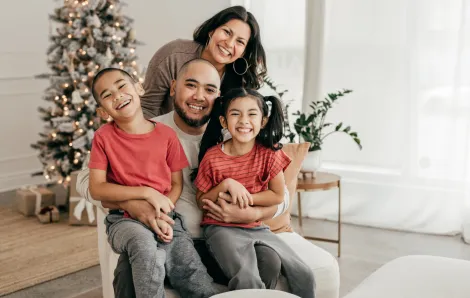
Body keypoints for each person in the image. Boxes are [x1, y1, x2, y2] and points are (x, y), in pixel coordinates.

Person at [78, 59, 287, 297]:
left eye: (209, 90)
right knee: (137, 260)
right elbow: (88, 182)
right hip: (159, 228)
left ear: (218, 96)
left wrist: (254, 214)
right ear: (174, 86)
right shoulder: (146, 129)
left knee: (267, 264)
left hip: (218, 237)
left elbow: (280, 194)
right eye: (191, 85)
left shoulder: (239, 128)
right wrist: (134, 204)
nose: (199, 96)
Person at [87, 67, 222, 298]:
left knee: (189, 268)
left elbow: (176, 184)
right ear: (102, 111)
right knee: (143, 247)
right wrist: (147, 193)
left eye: (121, 86)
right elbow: (96, 188)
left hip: (168, 217)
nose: (117, 95)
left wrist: (162, 212)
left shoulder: (166, 135)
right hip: (123, 221)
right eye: (107, 95)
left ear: (139, 88)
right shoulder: (103, 137)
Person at [193, 88, 315, 297]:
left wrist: (245, 198)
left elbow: (277, 196)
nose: (244, 120)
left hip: (257, 228)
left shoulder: (269, 153)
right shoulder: (213, 157)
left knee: (303, 273)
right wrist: (226, 185)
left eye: (252, 114)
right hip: (221, 229)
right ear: (224, 122)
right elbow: (201, 200)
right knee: (247, 277)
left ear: (263, 121)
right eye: (235, 114)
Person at [140, 5, 267, 118]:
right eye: (227, 32)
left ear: (244, 52)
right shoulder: (174, 56)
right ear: (212, 31)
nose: (229, 43)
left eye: (240, 42)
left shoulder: (242, 80)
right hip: (163, 136)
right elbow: (147, 109)